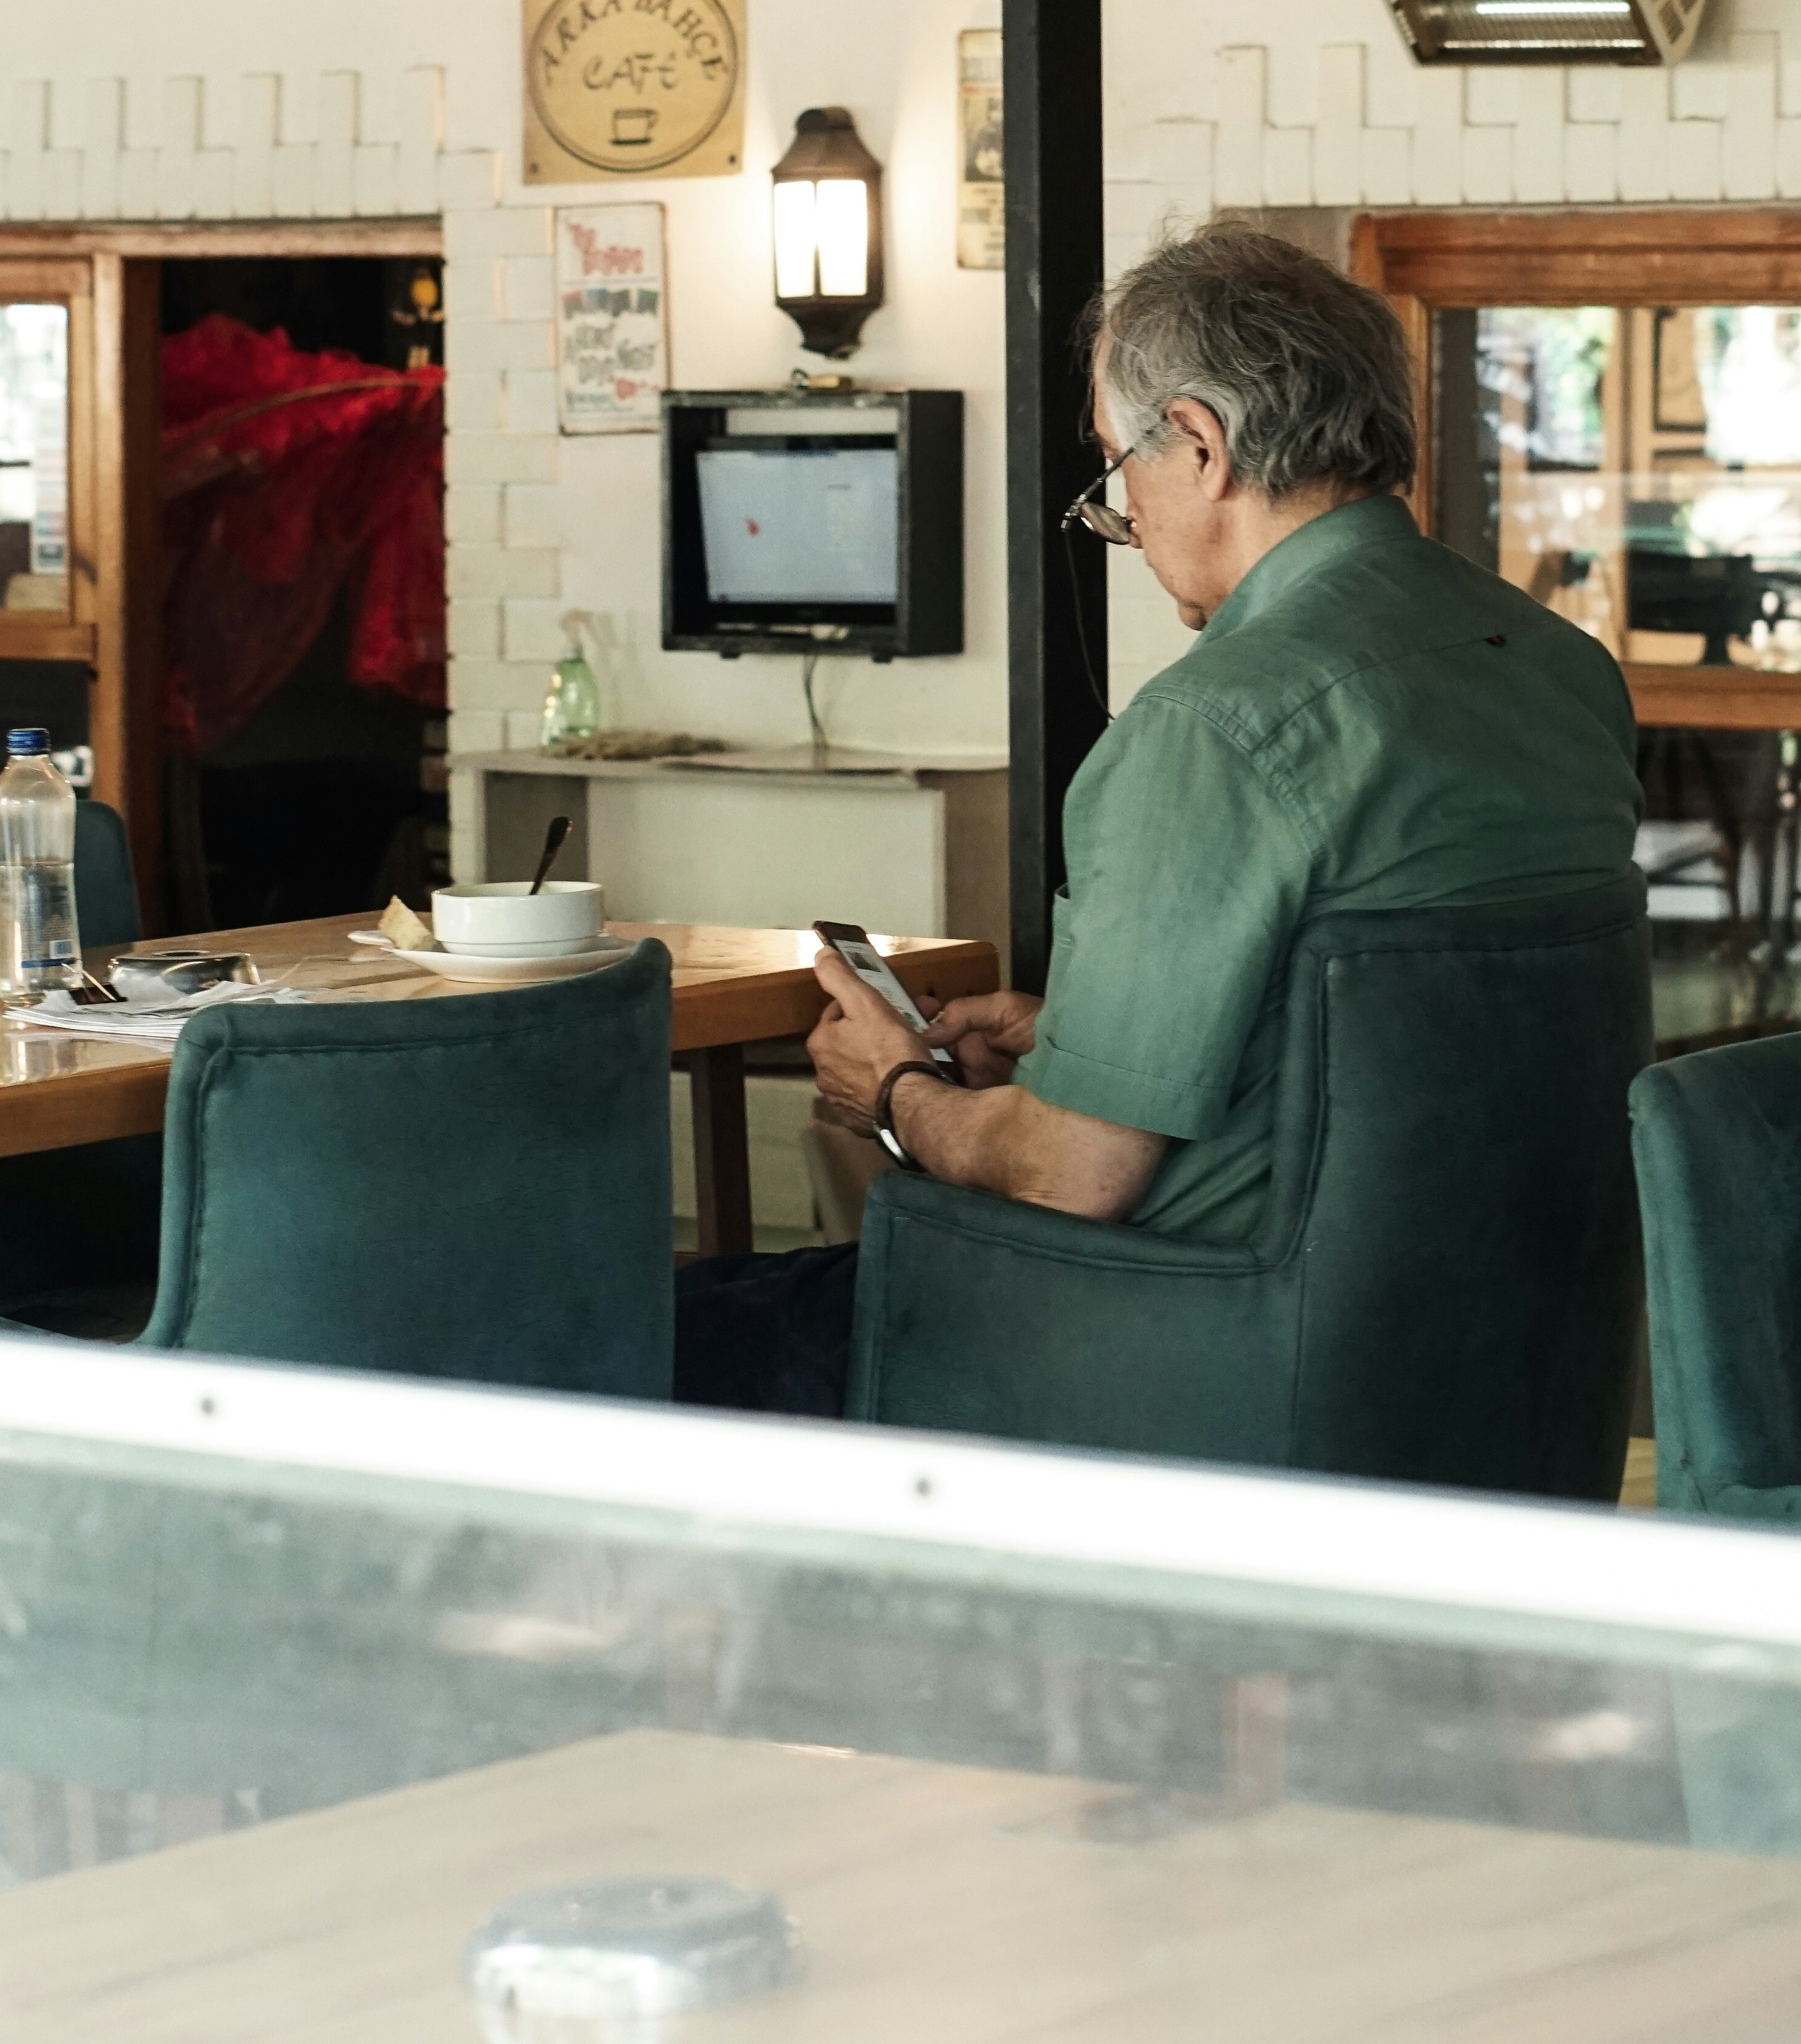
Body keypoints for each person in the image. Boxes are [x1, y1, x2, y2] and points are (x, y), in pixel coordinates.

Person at [673, 215, 1642, 1417]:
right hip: (1503, 1365)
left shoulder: (1216, 725)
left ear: (1195, 443)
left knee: (630, 1333)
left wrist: (894, 1092)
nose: (1120, 519)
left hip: (1187, 1358)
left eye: (1112, 468)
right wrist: (1088, 1039)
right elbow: (1397, 1056)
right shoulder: (1557, 669)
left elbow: (1069, 1178)